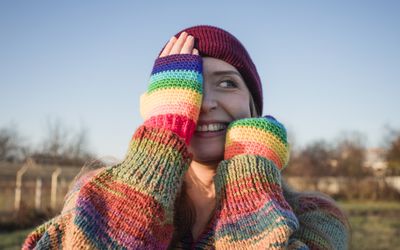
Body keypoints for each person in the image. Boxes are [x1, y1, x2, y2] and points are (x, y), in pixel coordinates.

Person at [23, 25, 349, 249]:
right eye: (187, 85)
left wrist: (251, 176)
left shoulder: (315, 216)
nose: (205, 103)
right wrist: (160, 143)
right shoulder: (95, 195)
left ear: (254, 106)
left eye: (227, 83)